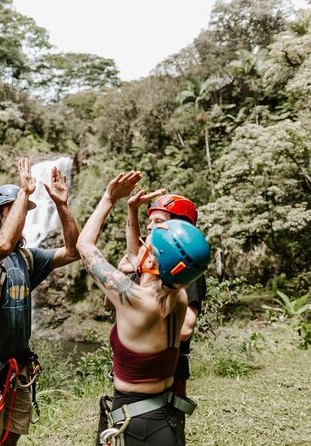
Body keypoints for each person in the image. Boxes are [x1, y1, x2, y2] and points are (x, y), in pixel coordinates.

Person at [76, 171, 210, 446]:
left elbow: (84, 245)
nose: (145, 243)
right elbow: (149, 267)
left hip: (134, 424)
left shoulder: (134, 300)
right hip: (164, 421)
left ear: (154, 258)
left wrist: (108, 198)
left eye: (151, 241)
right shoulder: (178, 297)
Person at [0, 157, 80, 446]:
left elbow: (73, 252)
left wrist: (62, 205)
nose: (23, 215)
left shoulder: (28, 258)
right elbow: (1, 245)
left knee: (11, 439)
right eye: (15, 210)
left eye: (24, 211)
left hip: (19, 366)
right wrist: (24, 193)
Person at [119, 192, 207, 441]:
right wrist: (131, 210)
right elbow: (133, 252)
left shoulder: (185, 270)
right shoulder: (152, 267)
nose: (149, 227)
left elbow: (186, 327)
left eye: (157, 221)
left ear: (179, 227)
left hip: (165, 374)